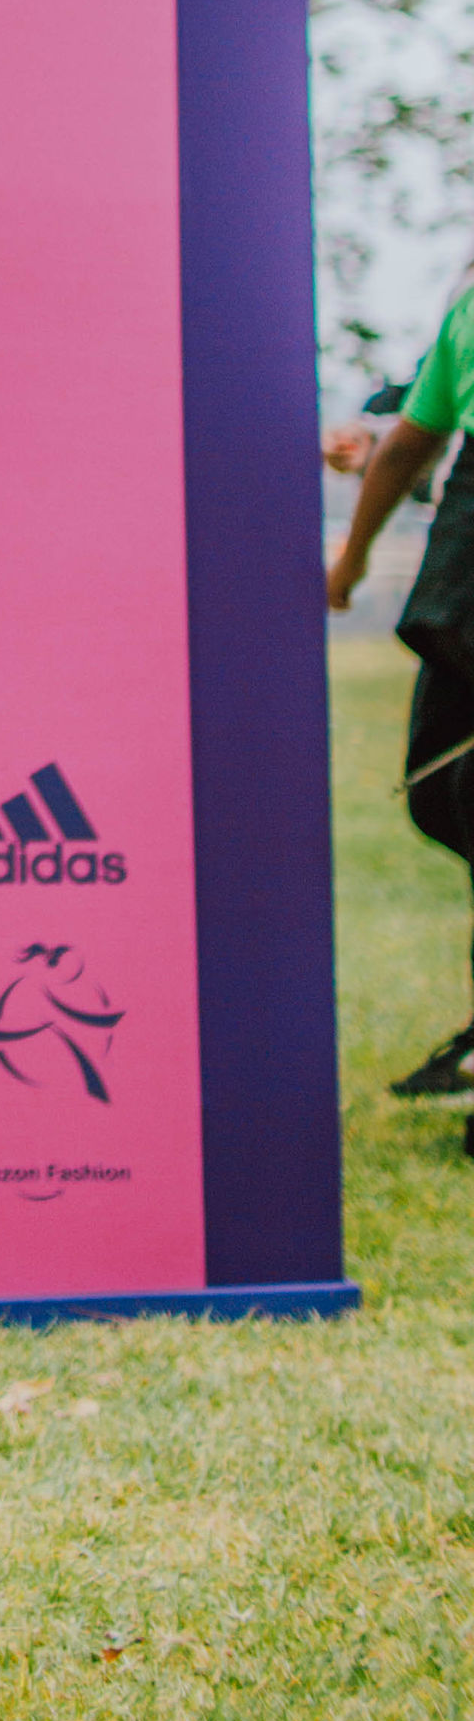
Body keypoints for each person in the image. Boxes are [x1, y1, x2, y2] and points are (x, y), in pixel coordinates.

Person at [328, 307, 474, 1119]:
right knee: (436, 793)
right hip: (461, 593)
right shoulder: (466, 308)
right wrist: (351, 558)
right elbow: (417, 433)